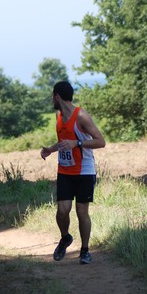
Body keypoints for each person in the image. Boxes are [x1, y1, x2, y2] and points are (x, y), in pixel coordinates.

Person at [40, 81, 106, 264]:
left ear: (57, 97)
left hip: (84, 170)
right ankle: (65, 238)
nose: (52, 99)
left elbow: (101, 141)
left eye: (52, 96)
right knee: (62, 211)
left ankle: (85, 250)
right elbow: (64, 141)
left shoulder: (81, 116)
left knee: (81, 211)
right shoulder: (58, 116)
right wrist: (50, 150)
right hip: (65, 170)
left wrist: (77, 143)